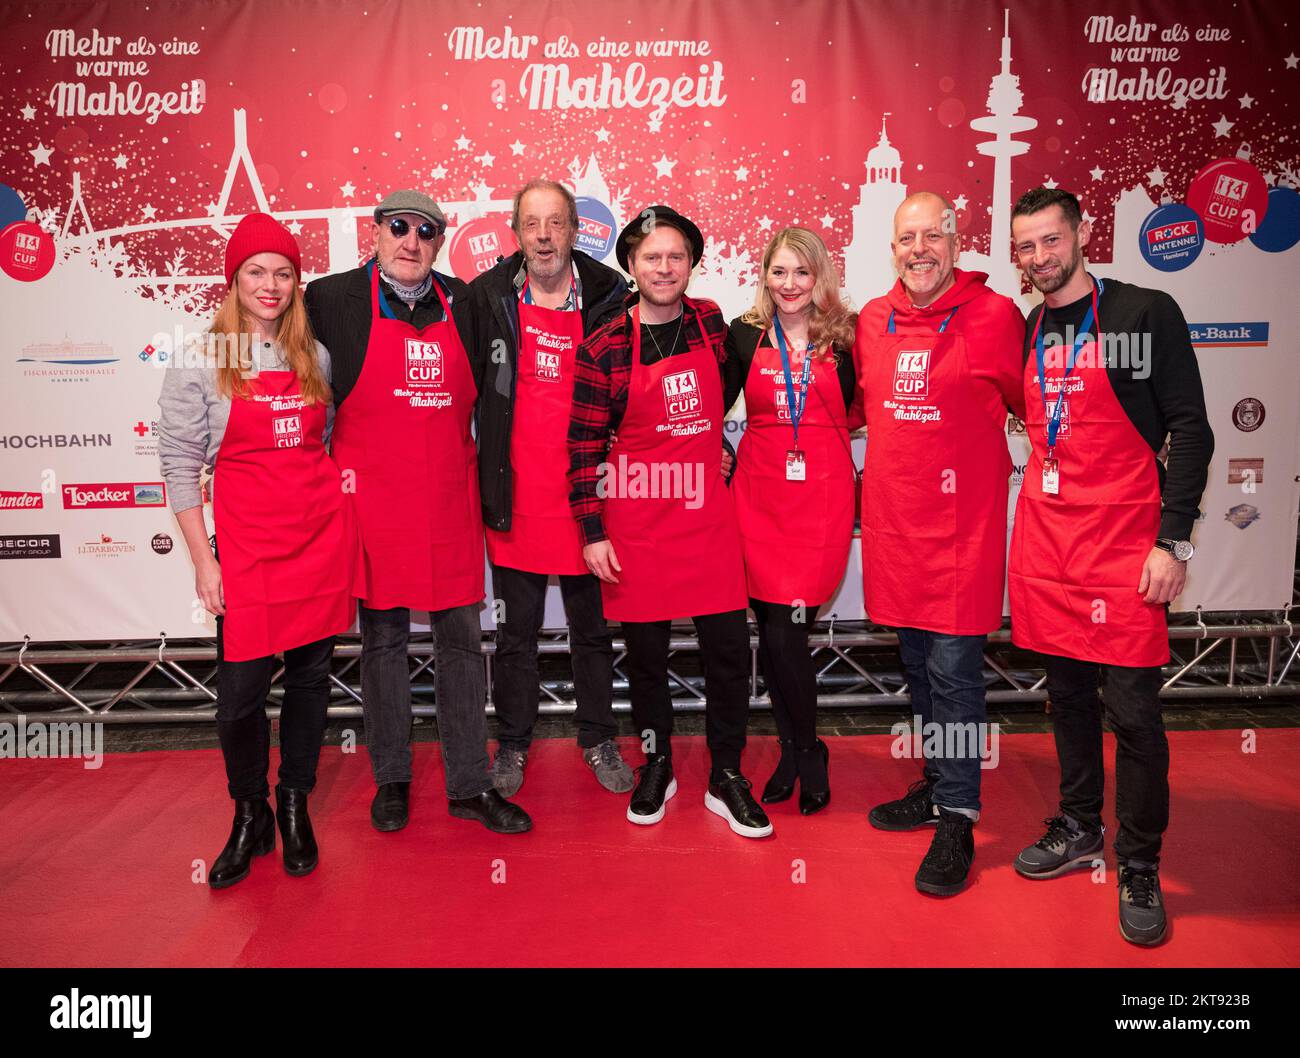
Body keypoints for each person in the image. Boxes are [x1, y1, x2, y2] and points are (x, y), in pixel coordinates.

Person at [1008, 187, 1213, 945]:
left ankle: (1138, 861)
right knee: (1064, 700)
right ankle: (1077, 825)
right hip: (1050, 544)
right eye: (1025, 247)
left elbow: (1191, 429)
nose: (1039, 258)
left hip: (1127, 547)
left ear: (1083, 234)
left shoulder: (1141, 312)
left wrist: (1175, 540)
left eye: (1051, 241)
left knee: (1133, 712)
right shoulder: (1032, 324)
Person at [305, 190, 530, 835]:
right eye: (399, 227)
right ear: (376, 233)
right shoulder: (331, 301)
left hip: (449, 502)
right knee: (384, 645)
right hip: (372, 504)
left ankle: (468, 784)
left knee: (461, 644)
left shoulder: (469, 302)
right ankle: (393, 779)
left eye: (427, 232)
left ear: (438, 241)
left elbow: (500, 393)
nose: (412, 241)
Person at [159, 212, 357, 889]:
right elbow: (181, 464)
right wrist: (203, 561)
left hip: (317, 539)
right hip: (246, 551)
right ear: (234, 280)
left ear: (297, 283)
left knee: (307, 679)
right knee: (239, 696)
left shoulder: (316, 357)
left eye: (282, 273)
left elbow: (322, 445)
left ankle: (295, 799)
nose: (270, 285)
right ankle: (251, 811)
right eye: (255, 272)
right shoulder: (200, 359)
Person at [567, 205, 771, 838]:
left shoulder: (711, 322)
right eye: (651, 257)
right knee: (648, 660)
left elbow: (730, 396)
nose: (664, 267)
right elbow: (580, 448)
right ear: (631, 264)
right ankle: (657, 761)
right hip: (637, 522)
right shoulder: (604, 344)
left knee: (729, 655)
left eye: (676, 256)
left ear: (691, 264)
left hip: (707, 518)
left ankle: (727, 774)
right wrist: (593, 533)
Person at [856, 192, 1026, 895]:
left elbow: (1039, 406)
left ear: (957, 243)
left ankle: (958, 814)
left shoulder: (996, 318)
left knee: (957, 679)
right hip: (898, 532)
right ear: (891, 248)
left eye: (932, 236)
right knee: (921, 669)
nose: (918, 249)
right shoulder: (871, 319)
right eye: (906, 239)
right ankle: (935, 785)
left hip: (963, 536)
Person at [469, 179, 634, 797]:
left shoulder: (610, 294)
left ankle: (597, 737)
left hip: (586, 494)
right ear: (517, 232)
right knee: (516, 633)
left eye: (555, 223)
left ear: (574, 230)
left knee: (593, 630)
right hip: (515, 494)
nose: (543, 236)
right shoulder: (487, 295)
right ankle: (512, 744)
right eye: (532, 224)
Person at [725, 227, 859, 814]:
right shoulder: (743, 334)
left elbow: (864, 411)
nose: (789, 285)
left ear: (820, 277)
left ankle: (807, 751)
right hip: (757, 499)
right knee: (778, 632)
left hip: (822, 501)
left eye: (801, 273)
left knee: (788, 632)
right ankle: (795, 750)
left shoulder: (849, 339)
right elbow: (709, 404)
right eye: (779, 272)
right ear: (765, 275)